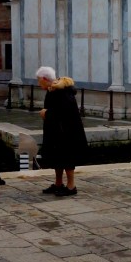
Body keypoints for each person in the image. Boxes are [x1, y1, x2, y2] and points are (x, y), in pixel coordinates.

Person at [36, 66, 87, 196]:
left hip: (66, 132)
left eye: (38, 80)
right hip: (57, 131)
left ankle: (71, 186)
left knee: (67, 158)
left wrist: (47, 113)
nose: (38, 83)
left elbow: (65, 112)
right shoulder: (53, 90)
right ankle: (58, 183)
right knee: (57, 158)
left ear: (44, 79)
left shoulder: (62, 91)